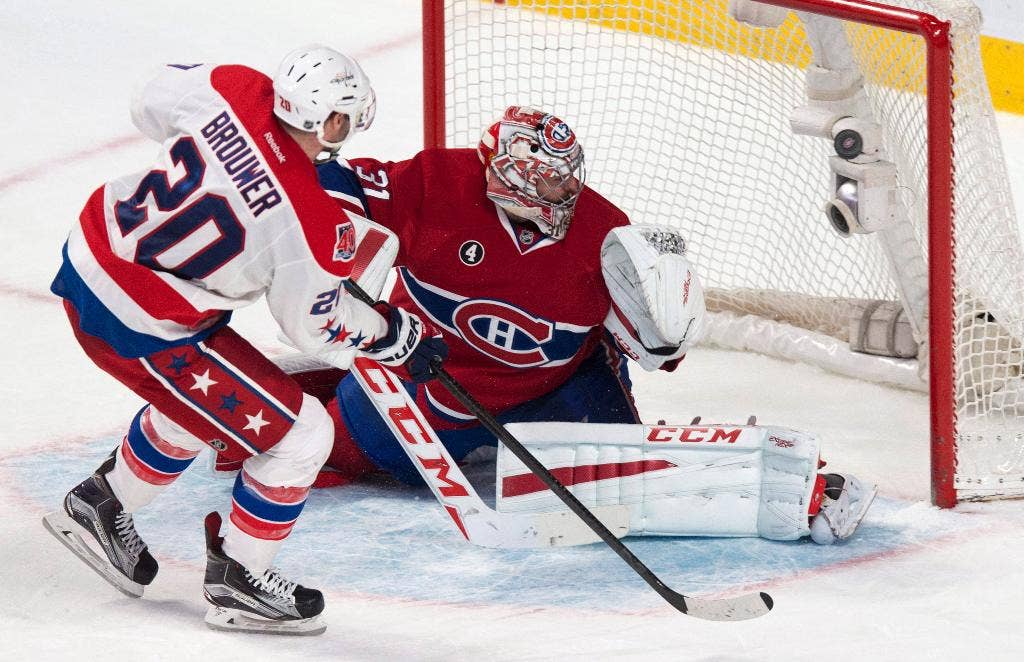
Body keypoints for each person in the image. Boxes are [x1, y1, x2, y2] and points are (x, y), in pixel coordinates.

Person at [302, 106, 875, 545]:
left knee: (627, 477)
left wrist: (664, 330)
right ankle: (266, 408)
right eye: (549, 183)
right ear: (507, 176)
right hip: (427, 375)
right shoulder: (437, 182)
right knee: (336, 453)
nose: (566, 194)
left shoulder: (603, 229)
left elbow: (653, 347)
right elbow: (328, 181)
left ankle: (782, 485)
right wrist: (343, 243)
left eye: (568, 179)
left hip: (560, 388)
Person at [43, 45, 445, 636]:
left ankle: (103, 505)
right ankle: (240, 578)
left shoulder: (234, 87)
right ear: (330, 122)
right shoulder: (310, 220)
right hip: (140, 321)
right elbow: (311, 324)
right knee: (303, 434)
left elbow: (148, 99)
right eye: (348, 117)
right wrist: (390, 333)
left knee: (215, 395)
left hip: (94, 255)